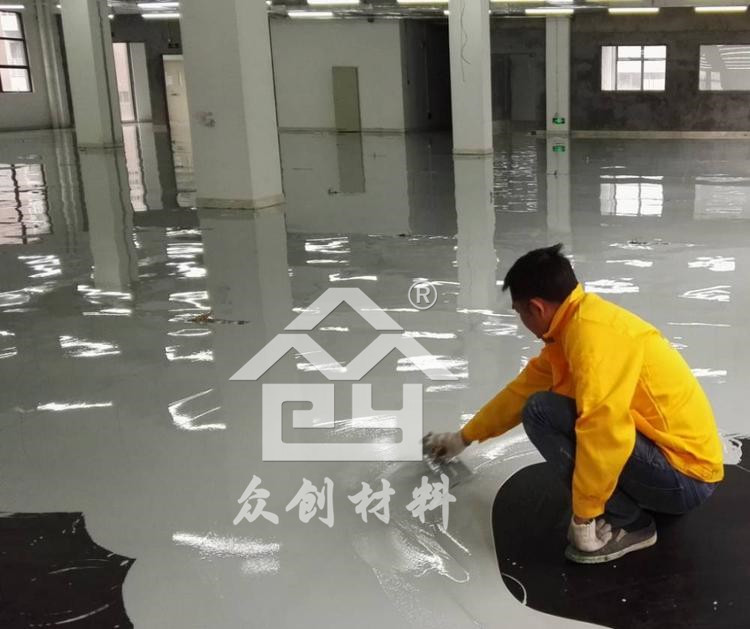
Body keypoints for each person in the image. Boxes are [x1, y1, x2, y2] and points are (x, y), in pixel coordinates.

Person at [424, 243, 723, 564]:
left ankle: (631, 524)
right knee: (539, 405)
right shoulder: (578, 324)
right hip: (675, 464)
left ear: (536, 308)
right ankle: (622, 499)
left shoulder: (592, 340)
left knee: (542, 412)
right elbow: (520, 392)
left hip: (685, 480)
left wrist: (585, 516)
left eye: (520, 312)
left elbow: (605, 432)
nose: (522, 321)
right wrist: (464, 437)